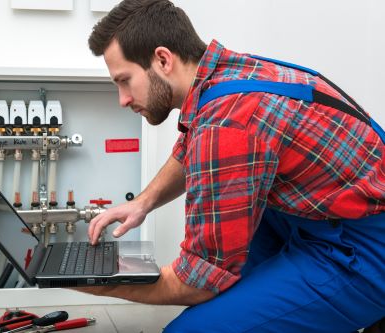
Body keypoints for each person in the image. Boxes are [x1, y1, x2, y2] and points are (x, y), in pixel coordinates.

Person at [77, 0, 385, 332]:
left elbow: (199, 280)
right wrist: (142, 203)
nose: (122, 99)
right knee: (229, 296)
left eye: (124, 81)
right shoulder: (227, 72)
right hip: (318, 215)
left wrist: (90, 280)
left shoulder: (226, 124)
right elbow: (188, 148)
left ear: (163, 59)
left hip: (363, 251)